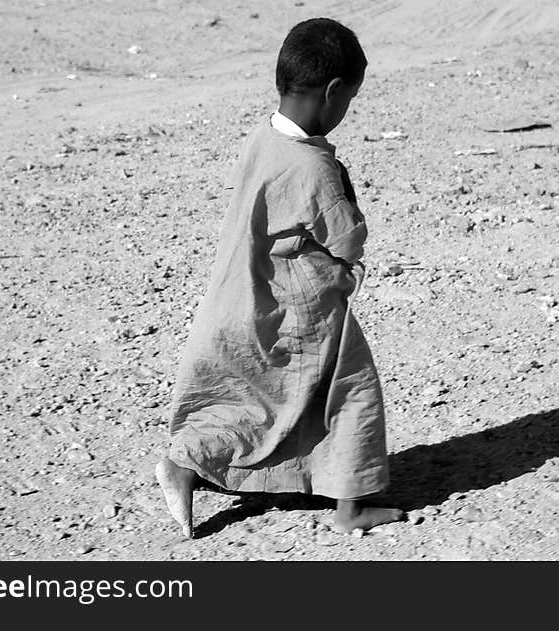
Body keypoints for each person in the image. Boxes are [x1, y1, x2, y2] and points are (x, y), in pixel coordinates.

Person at [155, 17, 404, 539]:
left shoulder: (262, 137)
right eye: (349, 101)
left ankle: (185, 463)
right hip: (301, 309)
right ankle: (350, 507)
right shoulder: (314, 169)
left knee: (256, 399)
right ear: (334, 93)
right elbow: (347, 239)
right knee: (352, 389)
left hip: (246, 295)